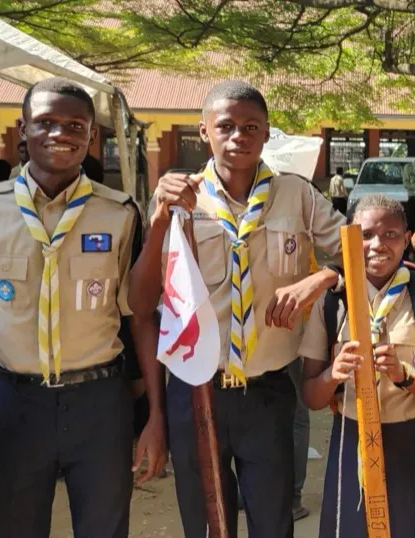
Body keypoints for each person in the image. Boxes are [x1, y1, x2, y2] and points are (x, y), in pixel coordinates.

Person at [0, 78, 150, 538]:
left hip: (99, 403)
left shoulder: (120, 213)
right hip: (16, 403)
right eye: (46, 123)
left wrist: (149, 409)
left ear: (91, 137)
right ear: (23, 130)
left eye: (75, 125)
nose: (61, 133)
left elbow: (134, 314)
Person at [130, 80, 347, 538]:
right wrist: (159, 222)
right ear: (203, 131)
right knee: (208, 523)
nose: (238, 137)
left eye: (251, 127)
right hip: (196, 389)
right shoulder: (179, 198)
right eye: (225, 126)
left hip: (268, 392)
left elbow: (356, 252)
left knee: (273, 521)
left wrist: (320, 278)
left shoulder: (298, 196)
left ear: (267, 133)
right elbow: (142, 300)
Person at [300, 194, 415, 538]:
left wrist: (405, 376)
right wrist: (332, 374)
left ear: (407, 237)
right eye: (365, 235)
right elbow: (310, 396)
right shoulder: (333, 302)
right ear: (349, 238)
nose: (377, 245)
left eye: (391, 235)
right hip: (351, 439)